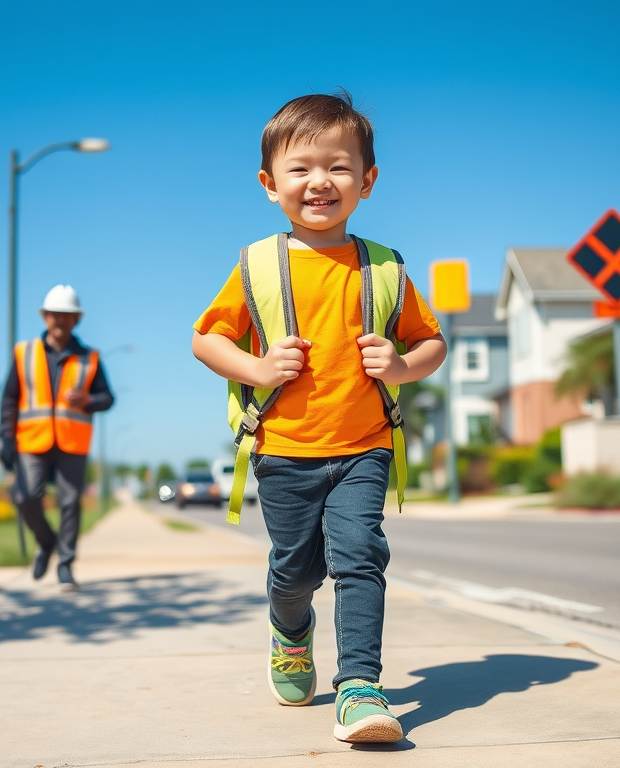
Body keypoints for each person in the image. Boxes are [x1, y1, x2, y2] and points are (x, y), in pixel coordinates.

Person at [191, 93, 447, 743]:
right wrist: (257, 369)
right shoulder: (257, 264)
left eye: (337, 167)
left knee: (361, 556)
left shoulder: (385, 267)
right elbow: (207, 339)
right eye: (300, 168)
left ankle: (359, 686)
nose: (319, 182)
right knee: (294, 570)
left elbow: (431, 343)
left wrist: (400, 364)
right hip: (282, 448)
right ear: (269, 184)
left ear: (367, 180)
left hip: (364, 444)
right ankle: (290, 631)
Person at [0, 284, 114, 590]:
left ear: (76, 319)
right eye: (54, 315)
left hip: (71, 442)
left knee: (69, 503)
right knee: (24, 497)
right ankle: (46, 542)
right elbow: (10, 399)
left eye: (66, 316)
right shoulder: (24, 353)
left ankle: (65, 564)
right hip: (30, 441)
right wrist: (6, 439)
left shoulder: (89, 358)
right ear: (44, 316)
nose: (59, 321)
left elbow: (108, 398)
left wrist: (88, 401)